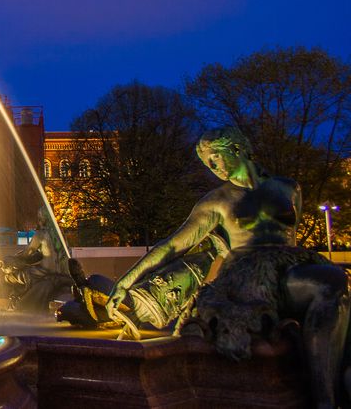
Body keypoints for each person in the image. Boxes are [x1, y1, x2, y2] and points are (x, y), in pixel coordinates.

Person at [93, 127, 347, 407]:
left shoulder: (288, 187)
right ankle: (325, 399)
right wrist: (126, 281)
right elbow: (172, 245)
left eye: (215, 158)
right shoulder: (217, 202)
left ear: (236, 149)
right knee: (329, 284)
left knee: (334, 288)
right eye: (207, 163)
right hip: (247, 275)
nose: (212, 167)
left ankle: (329, 387)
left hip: (289, 266)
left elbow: (293, 237)